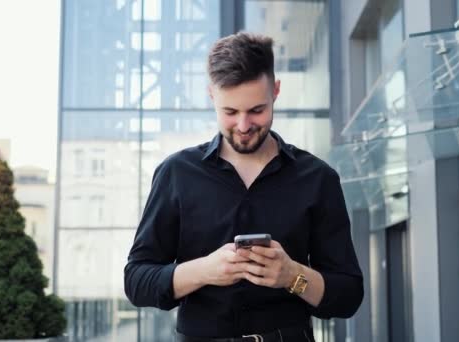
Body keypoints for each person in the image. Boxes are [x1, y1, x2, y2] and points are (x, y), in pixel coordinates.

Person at [124, 32, 363, 342]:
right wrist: (205, 271)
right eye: (230, 112)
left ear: (275, 91)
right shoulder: (176, 173)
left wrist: (292, 276)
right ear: (212, 95)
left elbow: (348, 296)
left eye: (256, 110)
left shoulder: (318, 178)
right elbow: (137, 282)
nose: (244, 125)